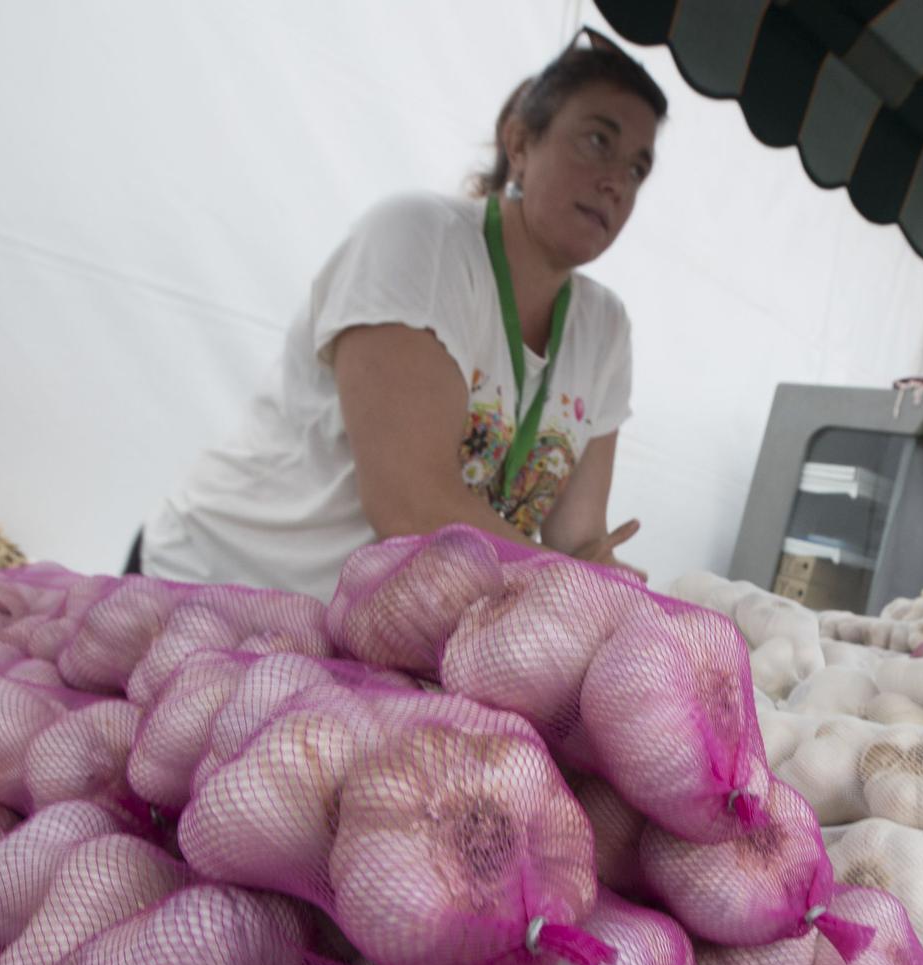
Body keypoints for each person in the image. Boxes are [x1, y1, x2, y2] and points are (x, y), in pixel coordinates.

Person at [134, 31, 665, 601]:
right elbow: (410, 505)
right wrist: (581, 589)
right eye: (595, 141)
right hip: (212, 588)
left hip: (347, 642)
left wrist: (597, 572)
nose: (615, 182)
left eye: (637, 169)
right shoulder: (419, 243)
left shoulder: (605, 330)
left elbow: (575, 537)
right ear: (520, 143)